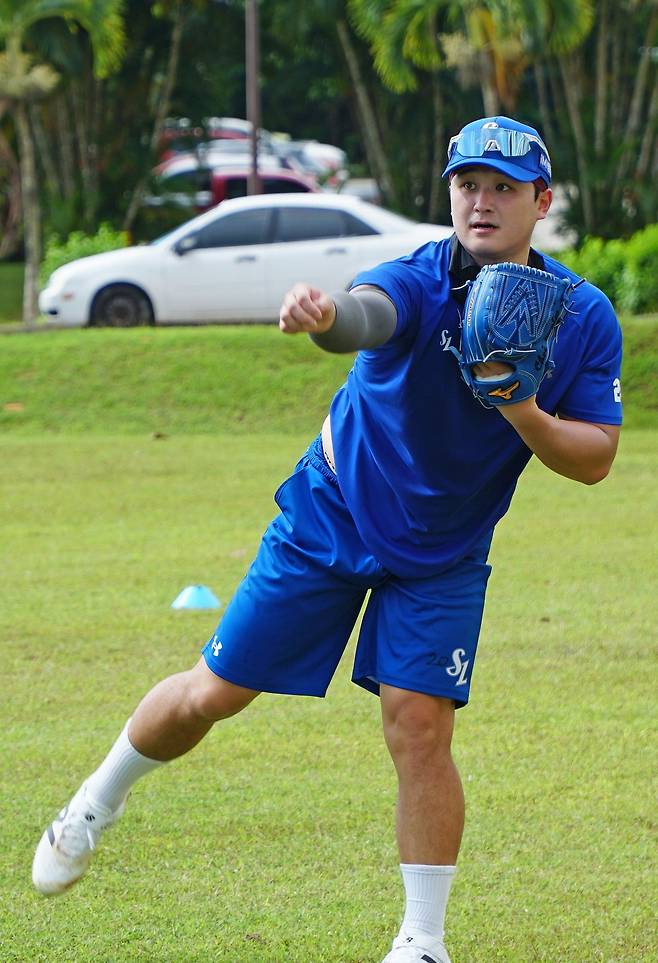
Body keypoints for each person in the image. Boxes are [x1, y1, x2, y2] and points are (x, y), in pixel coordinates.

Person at [32, 116, 622, 963]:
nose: (481, 202)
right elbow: (366, 316)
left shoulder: (582, 316)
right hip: (333, 514)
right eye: (467, 185)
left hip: (446, 548)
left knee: (420, 726)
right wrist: (323, 315)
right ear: (448, 193)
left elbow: (596, 458)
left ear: (542, 199)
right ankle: (93, 802)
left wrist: (520, 406)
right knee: (215, 693)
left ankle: (422, 940)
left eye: (503, 188)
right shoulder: (416, 278)